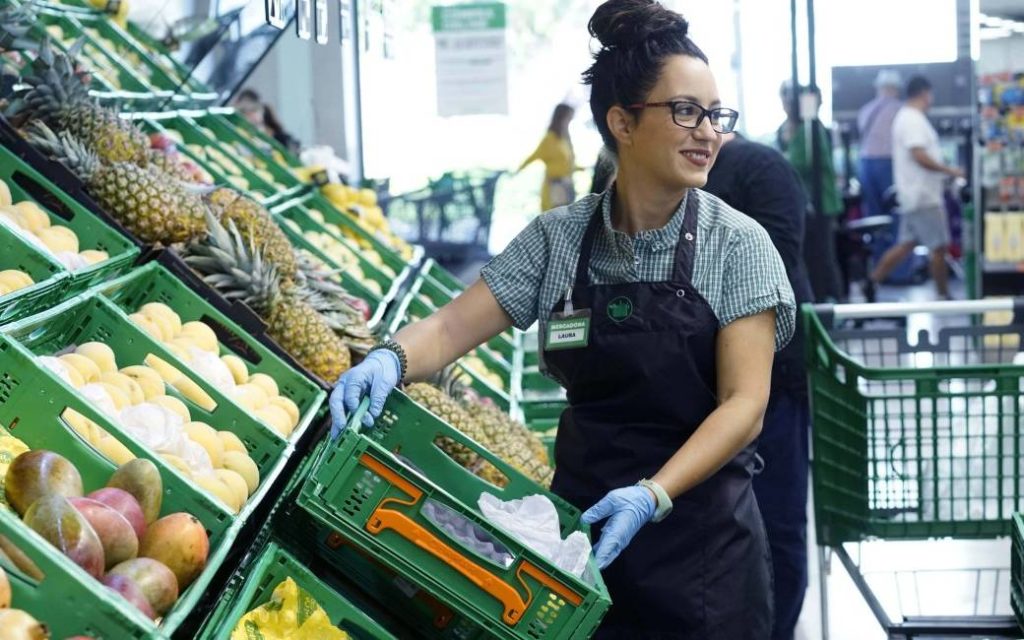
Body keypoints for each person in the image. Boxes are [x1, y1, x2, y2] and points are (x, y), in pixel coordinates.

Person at [330, 2, 795, 637]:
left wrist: (654, 494)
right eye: (686, 111)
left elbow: (745, 405)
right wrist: (391, 357)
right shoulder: (560, 241)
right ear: (623, 123)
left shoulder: (736, 245)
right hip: (576, 552)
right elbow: (447, 328)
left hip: (704, 559)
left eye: (715, 115)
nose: (707, 132)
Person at [704, 134, 814, 640]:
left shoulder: (761, 168)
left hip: (773, 380)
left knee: (775, 523)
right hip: (691, 391)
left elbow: (779, 270)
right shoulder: (630, 181)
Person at [869, 76, 963, 299]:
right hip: (923, 196)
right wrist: (950, 171)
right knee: (939, 247)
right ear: (924, 93)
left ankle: (872, 281)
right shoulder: (911, 119)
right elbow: (919, 154)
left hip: (915, 195)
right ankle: (944, 296)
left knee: (906, 245)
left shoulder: (909, 117)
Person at [777, 83, 845, 303]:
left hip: (821, 202)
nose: (785, 104)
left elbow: (802, 162)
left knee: (824, 256)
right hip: (800, 203)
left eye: (789, 99)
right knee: (810, 256)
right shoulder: (787, 128)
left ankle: (834, 303)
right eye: (783, 99)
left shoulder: (811, 129)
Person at [857, 70, 903, 217]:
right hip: (887, 163)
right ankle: (895, 241)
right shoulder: (899, 109)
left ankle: (876, 240)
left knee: (873, 213)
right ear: (895, 88)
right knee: (894, 208)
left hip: (865, 164)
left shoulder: (866, 110)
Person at [519, 103, 577, 211]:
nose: (569, 122)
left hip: (567, 183)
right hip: (555, 186)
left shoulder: (564, 139)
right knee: (557, 218)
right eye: (568, 118)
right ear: (561, 118)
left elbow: (567, 161)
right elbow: (534, 156)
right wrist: (517, 170)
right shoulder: (549, 139)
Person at [234, 88, 300, 152]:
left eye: (253, 110)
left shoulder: (280, 137)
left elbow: (294, 149)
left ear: (262, 110)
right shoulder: (238, 137)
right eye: (244, 112)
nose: (250, 116)